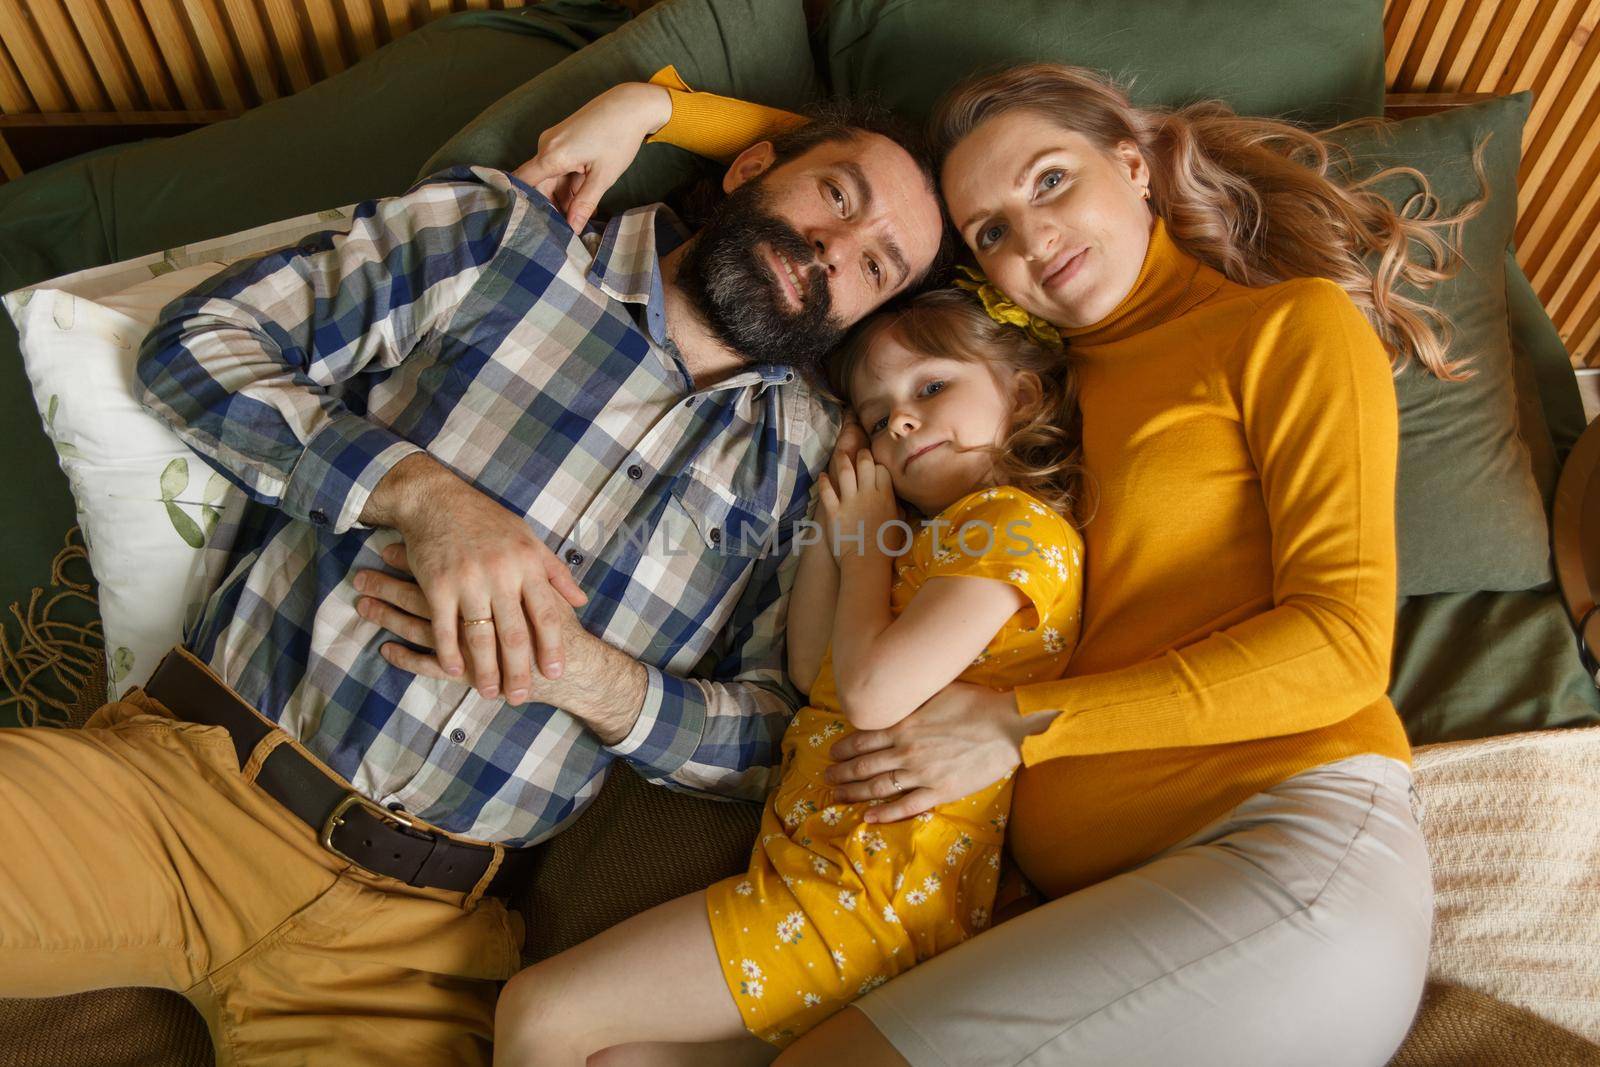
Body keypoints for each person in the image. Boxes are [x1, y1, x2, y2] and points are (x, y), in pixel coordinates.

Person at [482, 61, 1481, 1065]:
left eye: (1050, 180)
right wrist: (652, 108)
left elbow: (1342, 646)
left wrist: (1020, 727)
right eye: (989, 231)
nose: (1031, 236)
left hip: (1281, 853)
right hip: (1079, 907)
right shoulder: (1017, 370)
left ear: (1134, 165)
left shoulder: (1285, 326)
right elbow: (863, 182)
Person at [0, 97, 946, 1065]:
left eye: (876, 263)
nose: (833, 249)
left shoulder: (811, 462)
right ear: (749, 168)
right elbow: (200, 348)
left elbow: (780, 732)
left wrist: (593, 679)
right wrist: (420, 495)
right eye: (836, 194)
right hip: (182, 793)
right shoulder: (505, 240)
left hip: (422, 940)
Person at [363, 288, 1086, 1062]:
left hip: (864, 898)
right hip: (818, 876)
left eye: (931, 387)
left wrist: (867, 543)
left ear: (1023, 389)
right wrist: (834, 524)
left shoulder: (1018, 525)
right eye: (876, 418)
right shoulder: (926, 542)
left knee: (541, 1012)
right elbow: (814, 668)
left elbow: (873, 693)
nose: (900, 421)